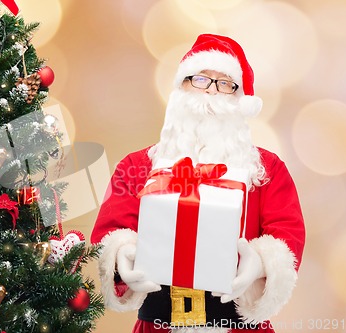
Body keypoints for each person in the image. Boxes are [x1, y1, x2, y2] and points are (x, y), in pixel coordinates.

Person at [90, 34, 306, 333]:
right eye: (201, 79)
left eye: (225, 83)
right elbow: (111, 230)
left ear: (239, 98)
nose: (212, 92)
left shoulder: (267, 170)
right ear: (181, 87)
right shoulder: (136, 166)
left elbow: (287, 233)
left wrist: (260, 262)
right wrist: (122, 253)